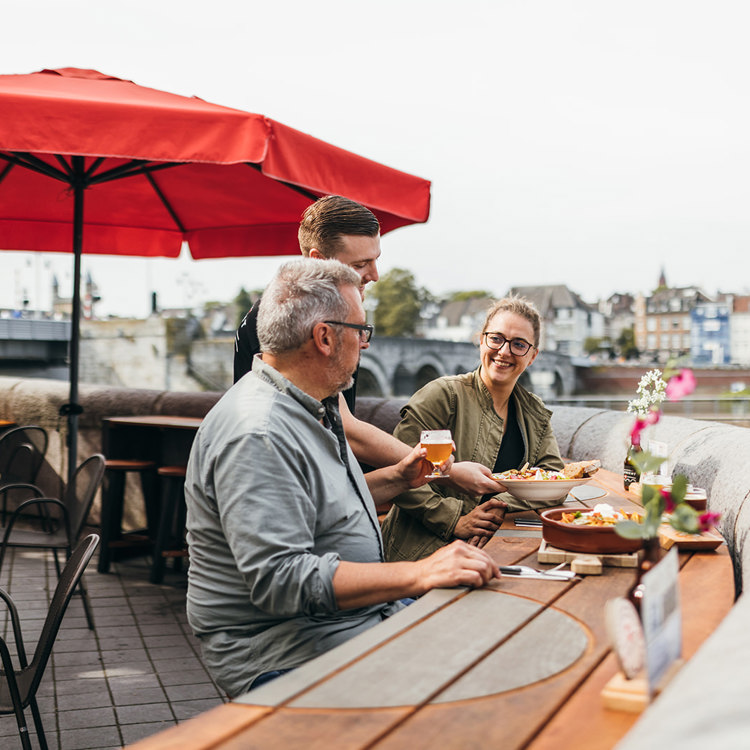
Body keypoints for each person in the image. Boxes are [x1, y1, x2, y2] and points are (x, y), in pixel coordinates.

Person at [186, 258, 500, 698]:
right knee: (482, 681)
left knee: (490, 638)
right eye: (361, 331)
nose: (366, 345)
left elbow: (321, 507)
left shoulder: (310, 405)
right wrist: (420, 573)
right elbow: (282, 580)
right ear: (325, 337)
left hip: (348, 623)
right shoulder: (259, 433)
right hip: (288, 652)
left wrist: (398, 477)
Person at [233, 194, 503, 498]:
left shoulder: (316, 314)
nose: (374, 276)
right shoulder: (286, 320)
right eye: (361, 264)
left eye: (376, 260)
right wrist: (447, 472)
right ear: (318, 260)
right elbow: (345, 427)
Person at [381, 296, 565, 562]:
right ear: (481, 340)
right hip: (418, 555)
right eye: (496, 339)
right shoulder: (443, 395)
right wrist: (455, 519)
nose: (504, 351)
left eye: (518, 344)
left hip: (488, 552)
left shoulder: (534, 411)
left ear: (533, 356)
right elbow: (399, 471)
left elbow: (554, 482)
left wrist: (500, 506)